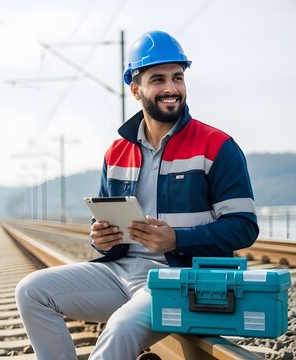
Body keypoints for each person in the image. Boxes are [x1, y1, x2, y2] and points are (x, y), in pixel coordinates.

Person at [15, 30, 259, 360]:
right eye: (158, 79)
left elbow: (244, 227)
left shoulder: (217, 146)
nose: (171, 88)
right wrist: (100, 239)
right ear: (135, 88)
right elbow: (104, 228)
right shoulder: (116, 151)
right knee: (31, 291)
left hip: (183, 280)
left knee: (121, 328)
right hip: (121, 273)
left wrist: (177, 239)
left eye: (178, 77)